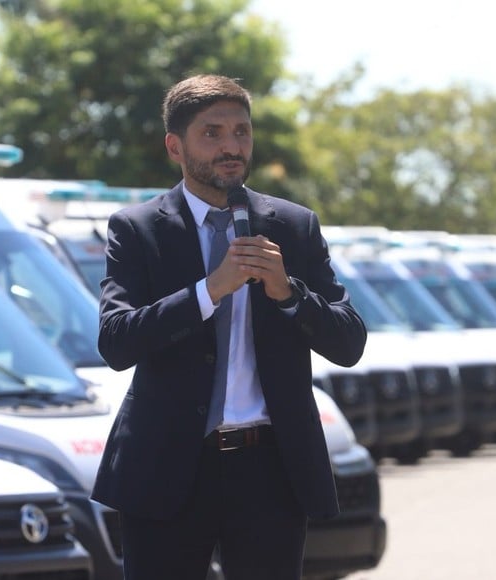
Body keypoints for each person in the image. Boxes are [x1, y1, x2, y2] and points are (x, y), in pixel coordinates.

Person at [91, 73, 368, 580]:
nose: (232, 147)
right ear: (175, 147)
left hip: (270, 469)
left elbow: (349, 342)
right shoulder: (137, 229)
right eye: (212, 133)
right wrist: (209, 290)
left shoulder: (293, 226)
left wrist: (289, 293)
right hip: (168, 466)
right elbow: (116, 341)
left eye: (241, 131)